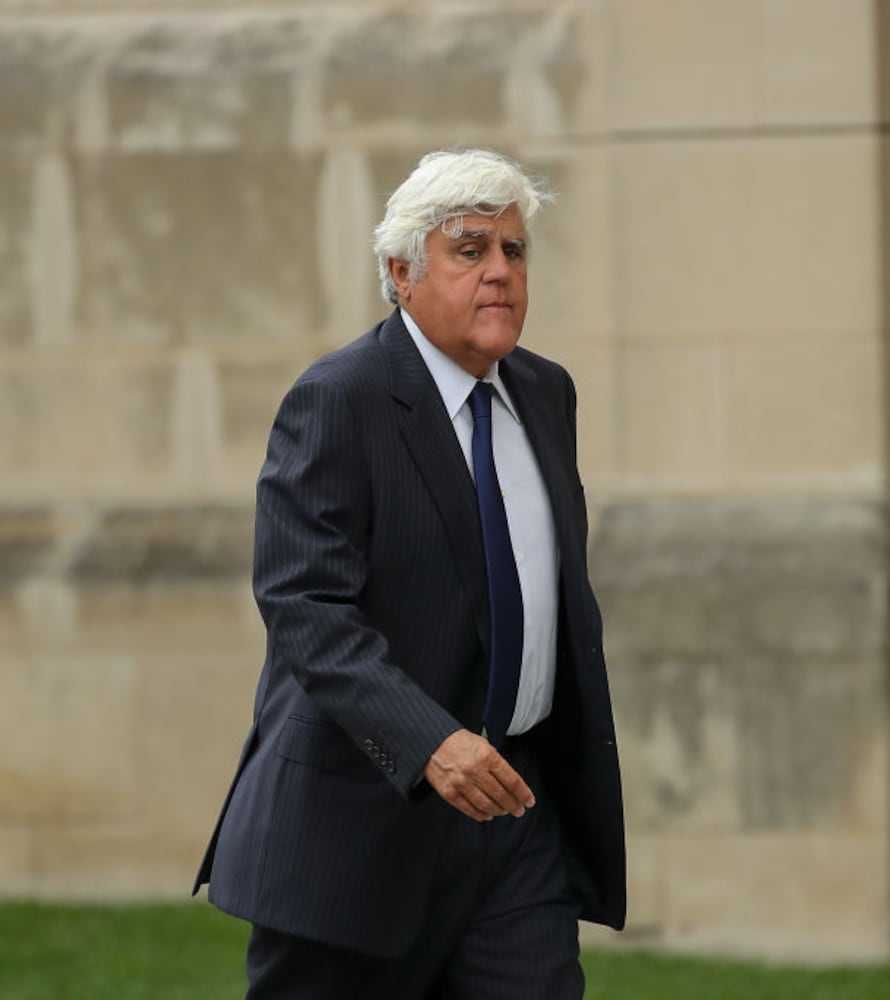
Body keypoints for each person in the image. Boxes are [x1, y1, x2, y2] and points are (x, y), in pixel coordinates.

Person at [193, 148, 624, 999]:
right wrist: (430, 741)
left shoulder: (545, 395)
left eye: (514, 251)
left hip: (514, 813)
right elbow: (304, 603)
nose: (499, 272)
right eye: (470, 250)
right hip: (357, 828)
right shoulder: (339, 399)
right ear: (401, 272)